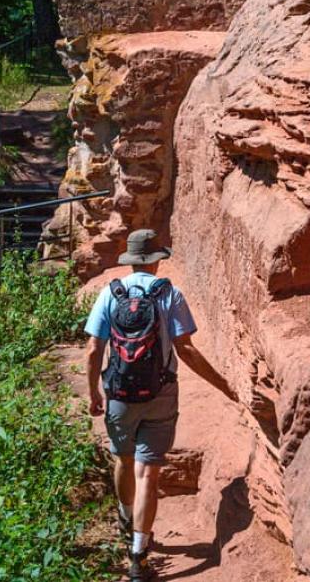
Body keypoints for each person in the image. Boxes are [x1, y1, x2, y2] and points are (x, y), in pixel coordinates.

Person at [85, 228, 237, 581]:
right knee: (147, 473)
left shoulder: (110, 294)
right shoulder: (171, 294)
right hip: (161, 393)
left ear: (130, 260)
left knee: (122, 460)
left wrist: (95, 392)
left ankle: (126, 517)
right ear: (155, 260)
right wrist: (223, 384)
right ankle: (139, 553)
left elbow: (94, 349)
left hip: (120, 394)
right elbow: (186, 349)